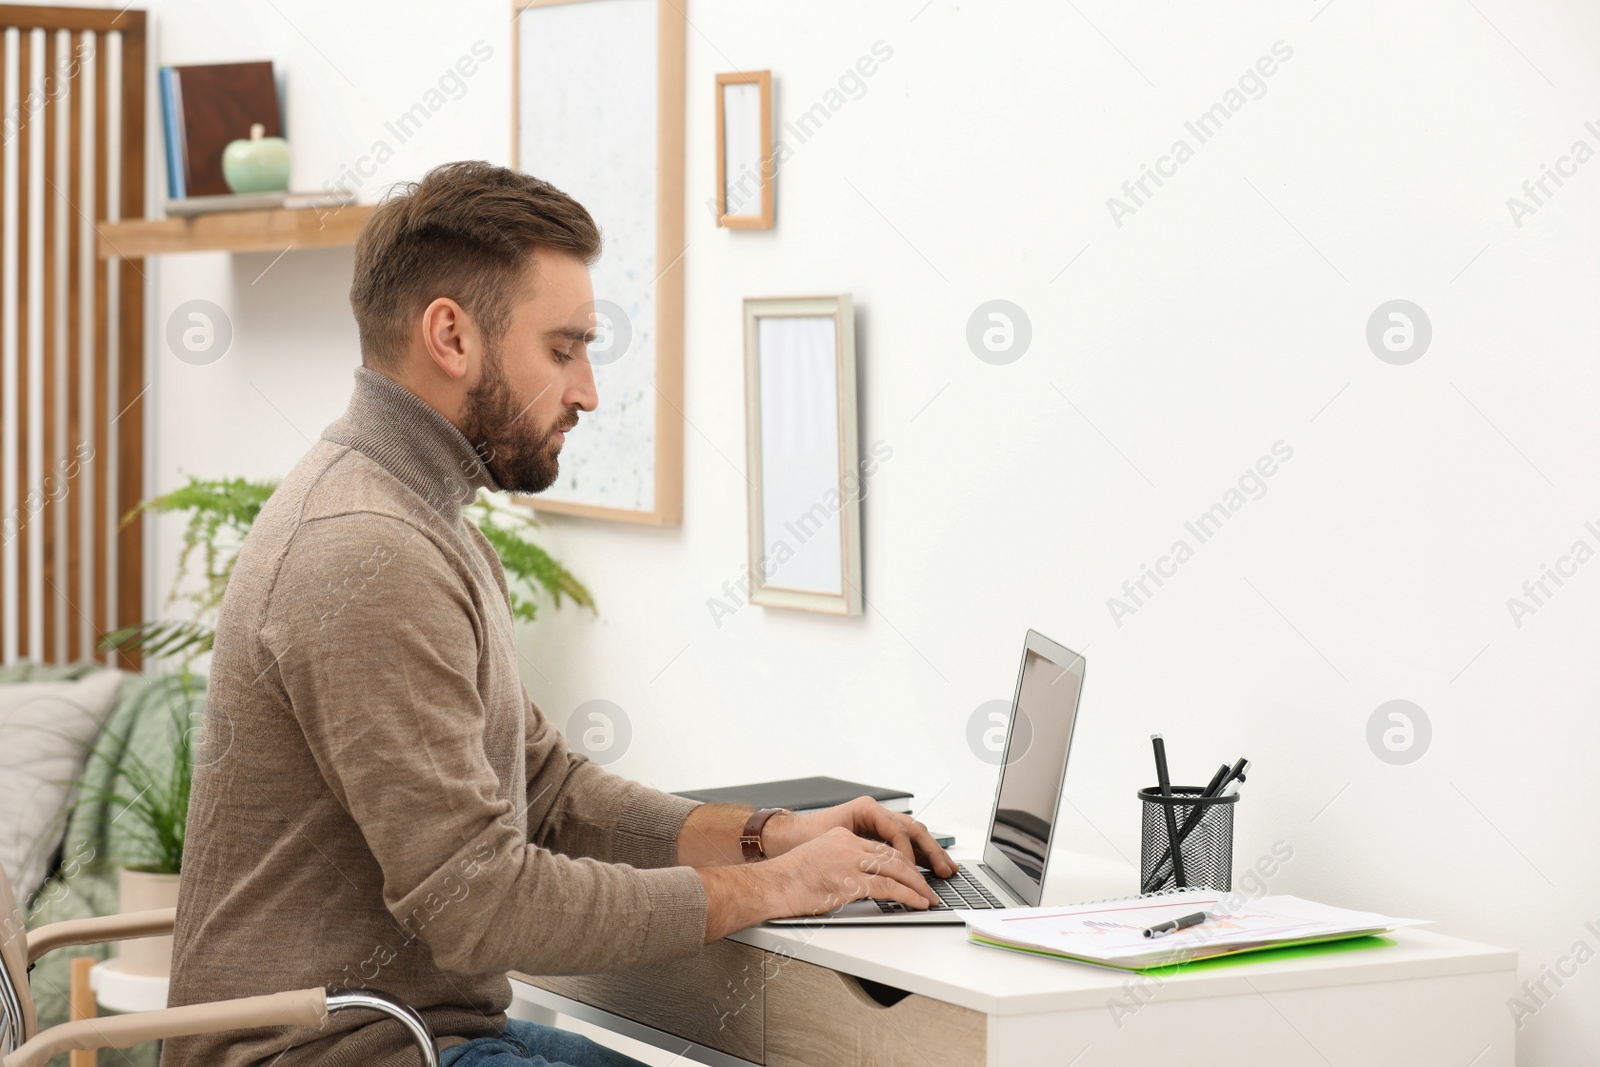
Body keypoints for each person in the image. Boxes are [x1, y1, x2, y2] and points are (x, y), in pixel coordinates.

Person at [162, 160, 955, 1067]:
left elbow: (547, 791)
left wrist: (769, 834)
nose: (588, 390)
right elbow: (479, 902)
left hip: (416, 1034)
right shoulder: (366, 549)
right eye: (563, 348)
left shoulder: (423, 522)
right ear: (451, 336)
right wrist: (775, 885)